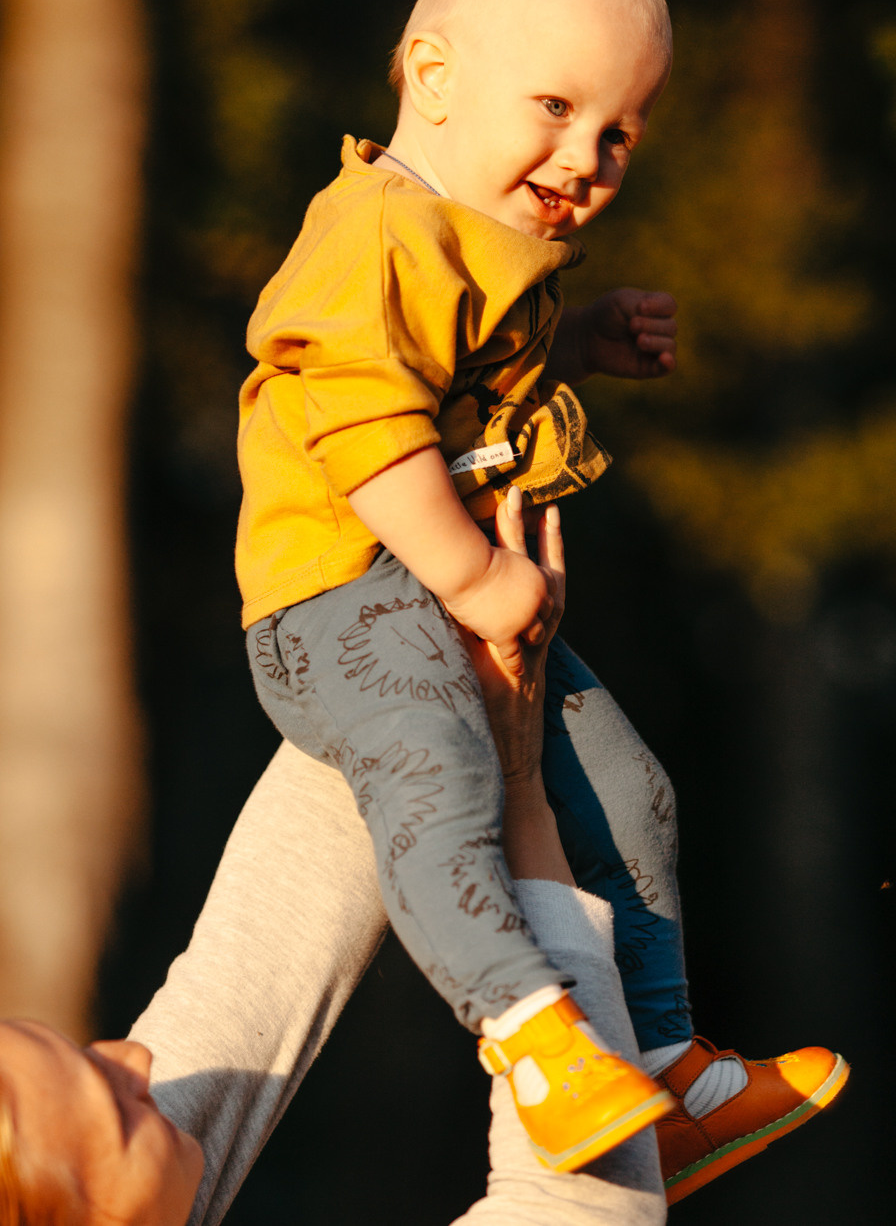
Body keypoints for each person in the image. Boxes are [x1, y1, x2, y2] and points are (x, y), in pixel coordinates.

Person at [236, 0, 848, 1188]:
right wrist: (473, 572)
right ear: (438, 78)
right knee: (440, 765)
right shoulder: (372, 231)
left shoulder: (489, 255)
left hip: (449, 598)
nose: (590, 155)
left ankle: (670, 1072)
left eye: (621, 129)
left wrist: (577, 344)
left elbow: (471, 380)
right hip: (336, 609)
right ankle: (527, 1031)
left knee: (631, 792)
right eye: (558, 108)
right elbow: (368, 425)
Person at [0, 499, 667, 1226]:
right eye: (111, 1108)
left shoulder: (156, 1148)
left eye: (88, 1054)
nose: (136, 1062)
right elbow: (584, 1212)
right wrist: (516, 789)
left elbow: (266, 949)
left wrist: (415, 589)